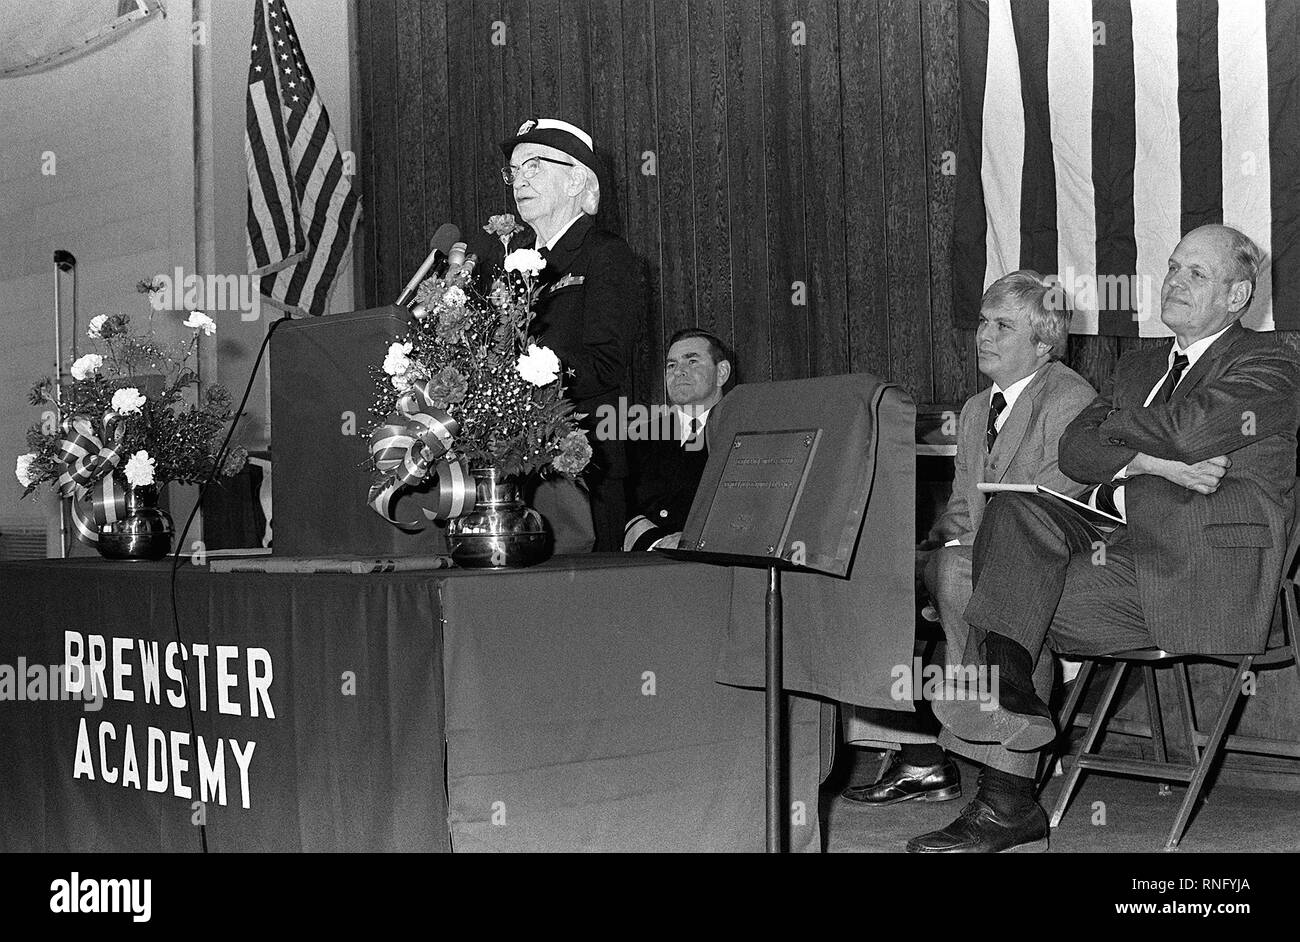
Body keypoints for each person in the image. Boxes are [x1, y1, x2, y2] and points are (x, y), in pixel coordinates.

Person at [909, 224, 1300, 853]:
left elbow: (1194, 429)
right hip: (1118, 553)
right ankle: (1014, 701)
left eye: (1195, 273)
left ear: (1237, 296)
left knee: (1001, 590)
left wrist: (1125, 438)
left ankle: (1007, 788)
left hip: (1201, 568)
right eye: (1172, 267)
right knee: (1014, 516)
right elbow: (1076, 447)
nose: (1173, 280)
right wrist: (1147, 461)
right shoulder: (1140, 363)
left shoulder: (1275, 358)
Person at [842, 270, 1095, 806]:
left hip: (1045, 561)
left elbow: (1047, 508)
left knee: (957, 574)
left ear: (1044, 342)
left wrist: (952, 554)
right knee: (860, 575)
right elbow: (961, 507)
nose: (984, 335)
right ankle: (922, 752)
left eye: (1003, 326)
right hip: (974, 552)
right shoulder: (979, 408)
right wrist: (933, 545)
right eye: (982, 322)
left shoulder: (1071, 397)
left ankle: (992, 728)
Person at [495, 117, 645, 552]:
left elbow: (606, 363)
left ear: (578, 179)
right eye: (514, 171)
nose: (519, 180)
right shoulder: (513, 264)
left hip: (583, 468)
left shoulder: (605, 255)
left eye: (533, 166)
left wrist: (527, 379)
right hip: (517, 470)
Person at [624, 329, 734, 552]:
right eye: (671, 365)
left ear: (721, 372)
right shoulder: (639, 437)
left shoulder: (744, 433)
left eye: (692, 361)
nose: (679, 372)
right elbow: (622, 507)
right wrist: (656, 542)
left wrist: (692, 540)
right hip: (643, 564)